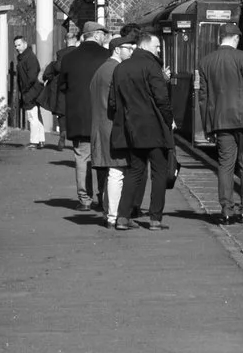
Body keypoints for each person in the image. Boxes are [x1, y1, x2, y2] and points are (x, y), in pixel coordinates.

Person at [107, 25, 175, 229]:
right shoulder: (151, 67)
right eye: (157, 46)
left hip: (132, 129)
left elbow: (113, 102)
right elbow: (162, 99)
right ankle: (155, 218)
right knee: (159, 172)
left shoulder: (120, 68)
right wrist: (169, 120)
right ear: (145, 45)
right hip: (155, 129)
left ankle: (122, 217)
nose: (159, 50)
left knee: (134, 171)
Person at [200, 30, 243, 223]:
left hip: (221, 121)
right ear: (236, 38)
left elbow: (203, 98)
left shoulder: (206, 61)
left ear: (219, 38)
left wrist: (208, 126)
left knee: (225, 165)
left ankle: (226, 211)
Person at [52, 22, 113, 217]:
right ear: (96, 35)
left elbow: (62, 86)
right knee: (103, 158)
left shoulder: (69, 58)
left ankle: (84, 200)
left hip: (78, 117)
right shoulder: (107, 57)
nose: (105, 37)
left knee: (82, 157)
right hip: (102, 116)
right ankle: (103, 196)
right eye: (103, 34)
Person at [84, 37, 122, 221]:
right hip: (111, 126)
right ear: (117, 50)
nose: (131, 51)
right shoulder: (114, 70)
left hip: (99, 125)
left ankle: (108, 210)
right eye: (129, 48)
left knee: (108, 172)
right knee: (116, 171)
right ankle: (112, 214)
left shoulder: (101, 69)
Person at [9, 34, 44, 147]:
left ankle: (34, 141)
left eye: (19, 45)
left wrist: (25, 90)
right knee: (35, 115)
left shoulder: (29, 58)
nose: (17, 47)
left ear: (25, 44)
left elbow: (32, 76)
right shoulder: (27, 56)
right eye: (15, 46)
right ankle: (40, 139)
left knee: (32, 116)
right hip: (33, 89)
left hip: (31, 90)